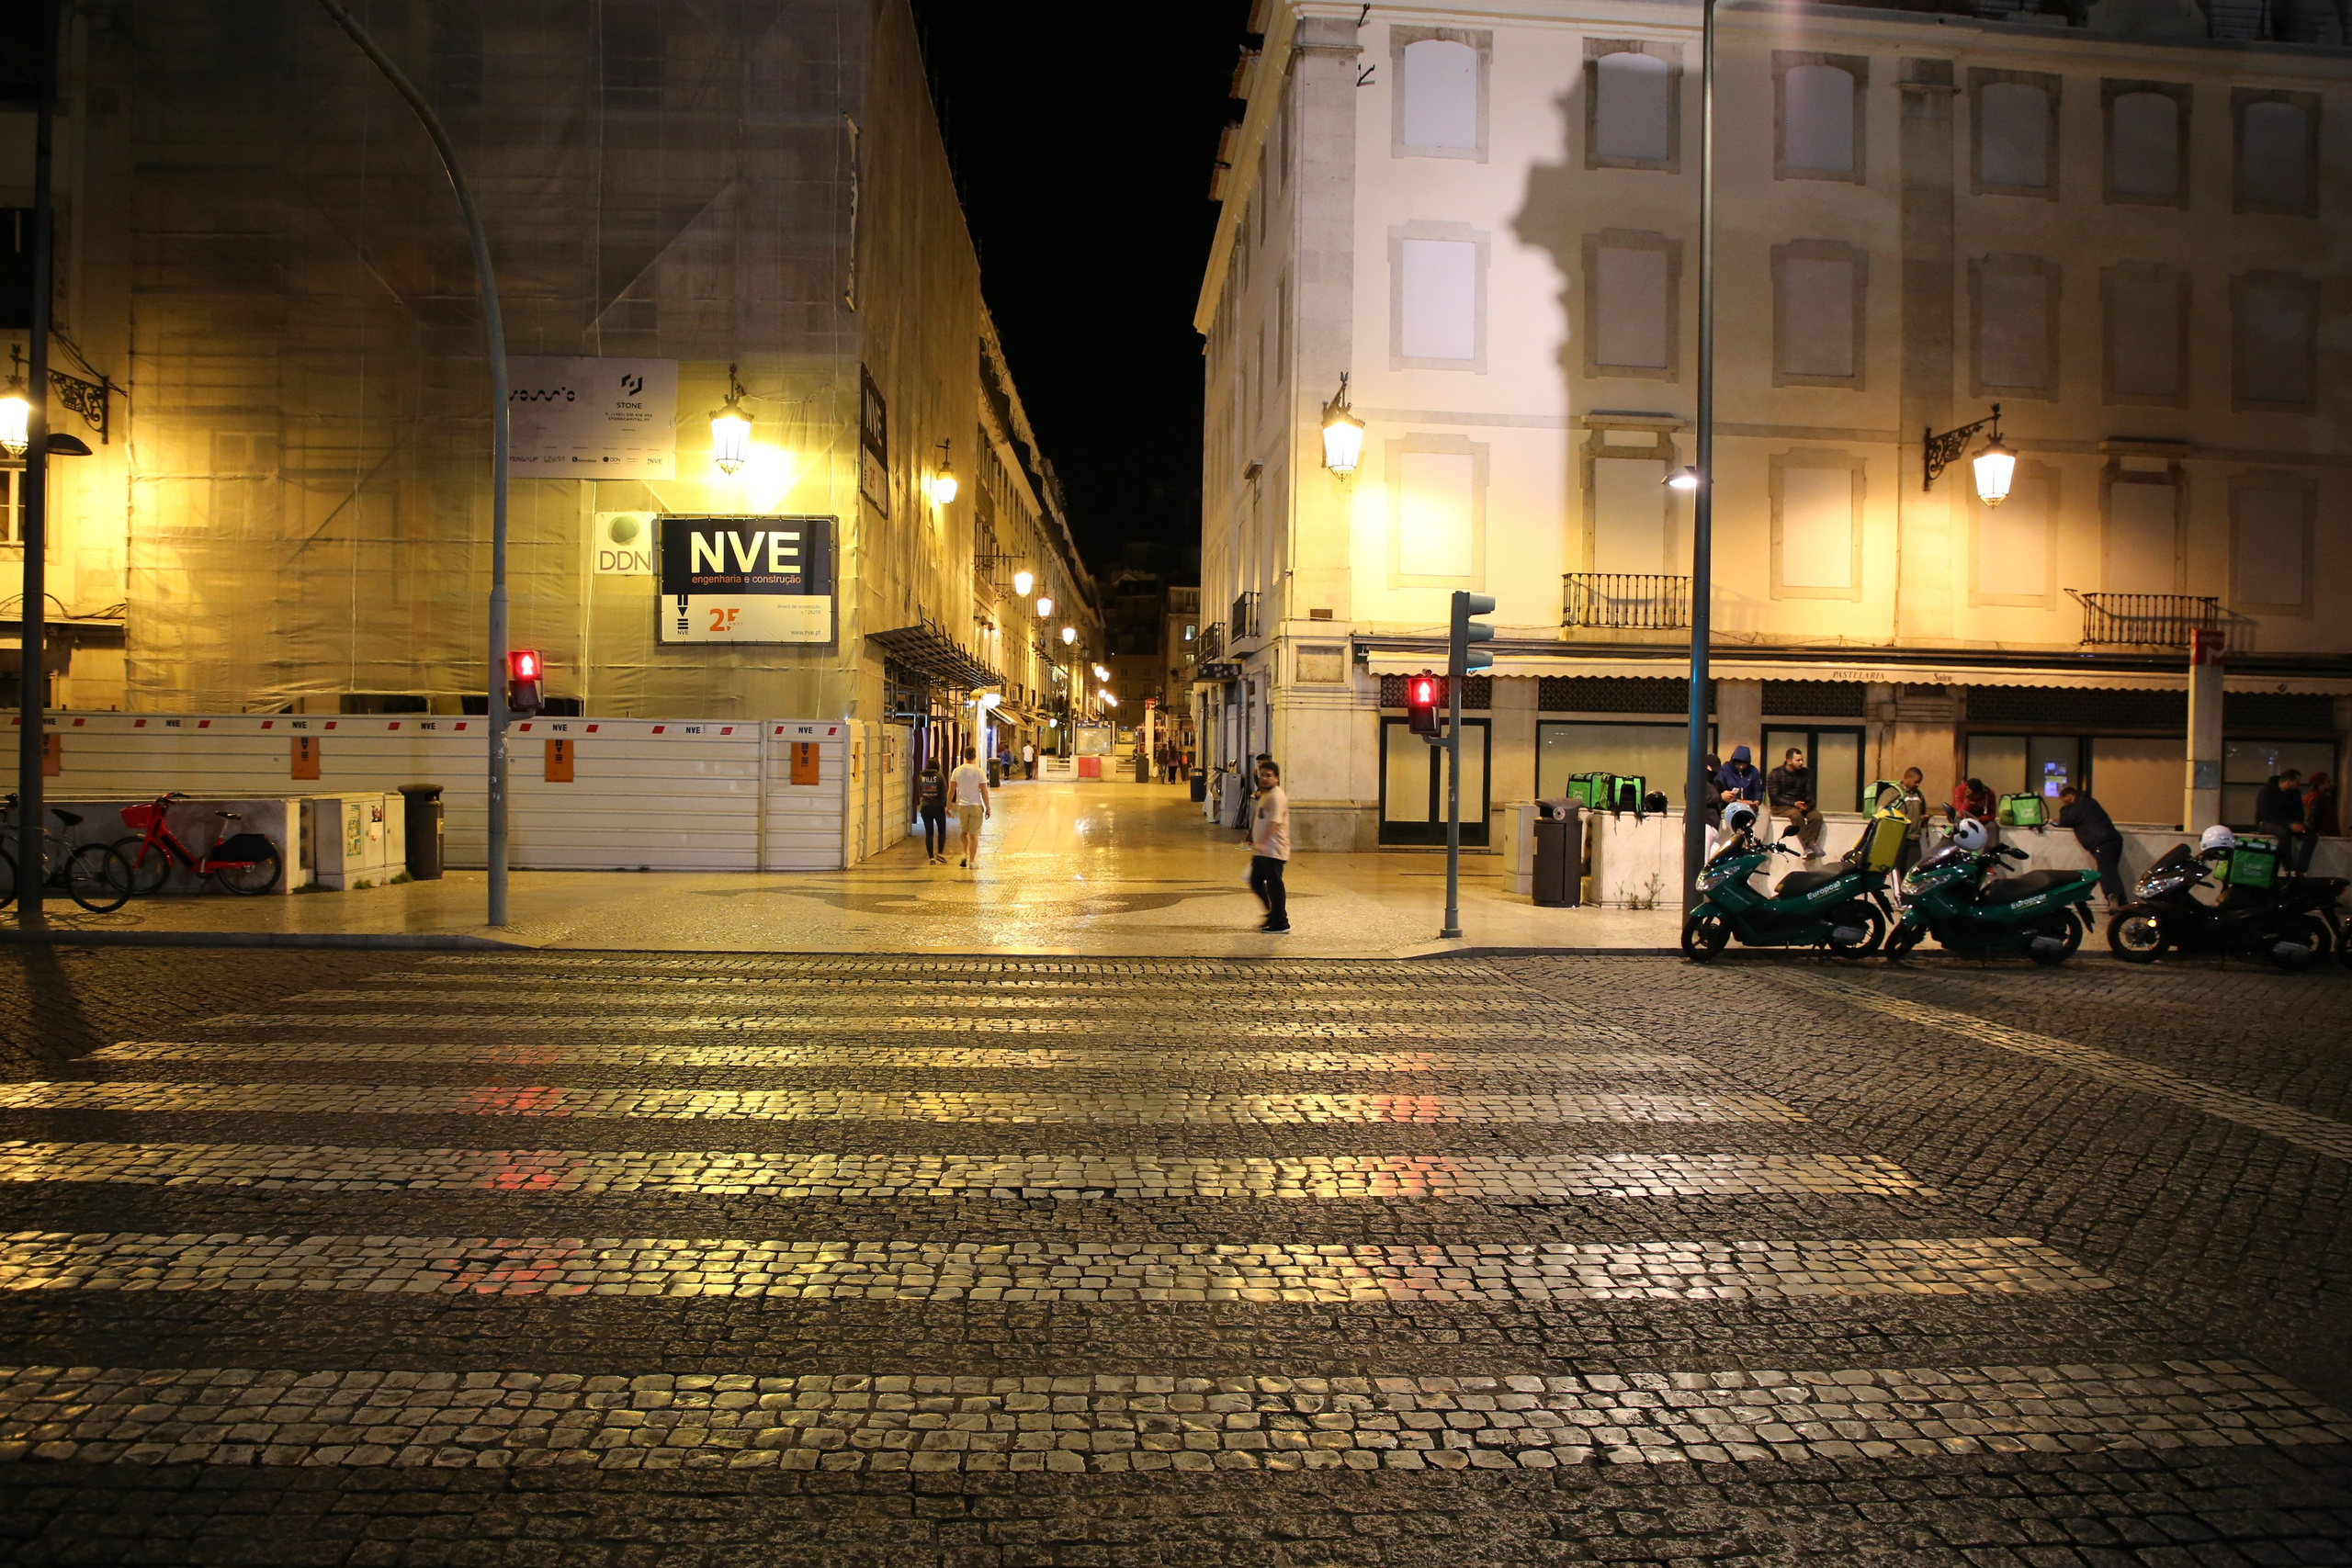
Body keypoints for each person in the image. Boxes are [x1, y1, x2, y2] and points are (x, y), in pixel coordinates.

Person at [2056, 784, 2127, 908]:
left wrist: (2065, 810)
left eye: (2066, 802)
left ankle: (2113, 897)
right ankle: (2123, 903)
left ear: (2071, 797)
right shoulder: (2090, 802)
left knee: (2105, 871)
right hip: (2113, 840)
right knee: (2111, 870)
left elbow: (2065, 820)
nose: (2067, 805)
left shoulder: (2081, 806)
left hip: (2102, 842)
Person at [1246, 757, 1290, 932]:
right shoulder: (1266, 794)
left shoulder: (1277, 796)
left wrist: (1263, 843)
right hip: (1263, 850)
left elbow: (1275, 823)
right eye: (1263, 775)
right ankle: (1272, 914)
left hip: (1273, 850)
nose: (1264, 778)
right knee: (1255, 881)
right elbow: (1261, 819)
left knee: (1275, 886)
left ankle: (1281, 922)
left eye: (1269, 776)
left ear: (1277, 778)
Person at [1766, 746, 1824, 861]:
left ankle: (1809, 848)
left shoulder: (1806, 773)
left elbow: (1809, 792)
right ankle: (1812, 844)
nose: (1801, 762)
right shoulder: (1775, 773)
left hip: (1800, 805)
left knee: (1816, 816)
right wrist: (1794, 803)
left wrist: (1808, 804)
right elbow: (1774, 796)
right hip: (1781, 806)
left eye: (1802, 760)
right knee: (1795, 814)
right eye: (1798, 760)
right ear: (1788, 761)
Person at [2256, 769, 2312, 874]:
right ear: (2289, 781)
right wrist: (2290, 824)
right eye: (2297, 782)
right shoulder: (2266, 792)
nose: (2299, 784)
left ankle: (2301, 867)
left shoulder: (2295, 793)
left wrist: (2298, 823)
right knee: (2283, 833)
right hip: (2267, 823)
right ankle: (2288, 865)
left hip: (2290, 823)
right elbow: (2267, 815)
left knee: (2311, 836)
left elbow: (2299, 811)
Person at [947, 745, 991, 868]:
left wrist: (948, 806)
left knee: (963, 833)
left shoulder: (957, 771)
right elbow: (984, 791)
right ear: (975, 756)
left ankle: (963, 854)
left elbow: (951, 790)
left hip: (962, 806)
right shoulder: (979, 771)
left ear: (964, 756)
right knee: (973, 835)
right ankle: (971, 862)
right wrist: (988, 807)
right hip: (976, 806)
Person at [1894, 767, 1930, 874]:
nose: (1918, 785)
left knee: (1913, 872)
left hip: (1914, 839)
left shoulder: (1919, 795)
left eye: (1919, 782)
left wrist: (1923, 819)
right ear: (1907, 778)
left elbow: (1922, 812)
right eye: (1916, 782)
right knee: (1897, 872)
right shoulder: (1894, 792)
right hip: (1899, 840)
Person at [915, 761, 948, 865]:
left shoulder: (921, 777)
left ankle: (931, 858)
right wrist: (946, 805)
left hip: (925, 806)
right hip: (938, 806)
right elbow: (944, 792)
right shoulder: (940, 776)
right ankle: (940, 853)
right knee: (941, 830)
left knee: (929, 833)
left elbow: (920, 791)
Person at [1713, 745, 1764, 812]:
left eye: (1744, 764)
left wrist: (1756, 803)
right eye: (1738, 763)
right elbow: (1719, 791)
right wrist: (1737, 801)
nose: (1741, 766)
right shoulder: (1724, 771)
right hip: (1730, 805)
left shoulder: (1753, 772)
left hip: (1750, 804)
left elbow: (1758, 790)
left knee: (1764, 812)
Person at [2306, 772, 2339, 839]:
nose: (2331, 784)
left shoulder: (2323, 798)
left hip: (2329, 837)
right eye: (2328, 782)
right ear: (2320, 785)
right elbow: (2312, 820)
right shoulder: (2316, 799)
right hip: (2325, 838)